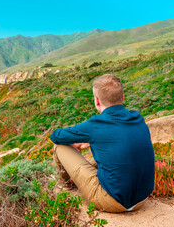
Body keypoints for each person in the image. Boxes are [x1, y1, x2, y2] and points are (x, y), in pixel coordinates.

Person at [50, 74, 154, 213]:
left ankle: (65, 185)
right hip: (142, 199)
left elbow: (56, 136)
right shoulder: (137, 117)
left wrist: (76, 143)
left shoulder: (96, 125)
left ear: (97, 101)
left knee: (59, 147)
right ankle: (72, 181)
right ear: (122, 98)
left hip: (112, 201)